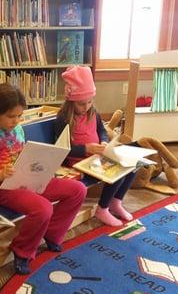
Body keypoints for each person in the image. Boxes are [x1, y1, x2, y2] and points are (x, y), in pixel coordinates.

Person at [0, 84, 87, 275]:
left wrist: (46, 166)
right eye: (11, 116)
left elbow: (26, 155)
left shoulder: (18, 130)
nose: (16, 121)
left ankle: (51, 232)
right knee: (43, 208)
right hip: (5, 187)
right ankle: (22, 250)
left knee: (78, 190)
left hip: (31, 177)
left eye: (19, 116)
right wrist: (0, 174)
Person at [54, 66, 136, 227]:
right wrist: (86, 149)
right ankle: (102, 209)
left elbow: (102, 131)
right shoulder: (63, 118)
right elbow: (62, 150)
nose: (86, 107)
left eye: (90, 102)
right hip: (78, 163)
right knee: (116, 171)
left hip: (97, 156)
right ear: (71, 101)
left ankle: (115, 202)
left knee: (132, 167)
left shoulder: (93, 113)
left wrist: (104, 141)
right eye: (81, 104)